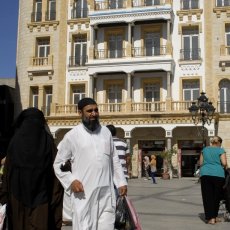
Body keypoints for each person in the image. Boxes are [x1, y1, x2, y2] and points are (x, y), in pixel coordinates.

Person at [53, 97, 127, 230]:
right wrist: (71, 181)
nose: (94, 113)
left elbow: (114, 158)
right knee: (85, 226)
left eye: (96, 110)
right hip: (84, 193)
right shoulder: (72, 135)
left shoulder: (106, 133)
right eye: (89, 111)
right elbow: (58, 164)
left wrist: (121, 182)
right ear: (80, 113)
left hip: (106, 192)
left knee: (107, 225)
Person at [0, 107, 64, 230]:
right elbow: (56, 171)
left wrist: (5, 194)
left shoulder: (15, 142)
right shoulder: (47, 142)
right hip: (42, 196)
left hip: (18, 196)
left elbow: (7, 172)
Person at [199, 136, 227, 225]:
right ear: (219, 143)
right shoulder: (220, 150)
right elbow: (224, 163)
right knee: (216, 197)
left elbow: (200, 163)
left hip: (205, 174)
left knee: (207, 197)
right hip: (218, 174)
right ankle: (214, 218)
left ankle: (209, 218)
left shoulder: (205, 150)